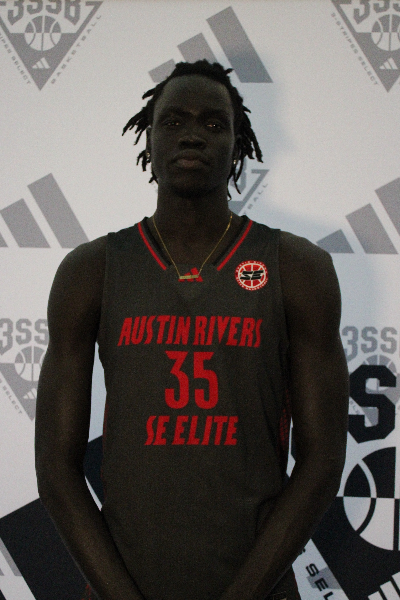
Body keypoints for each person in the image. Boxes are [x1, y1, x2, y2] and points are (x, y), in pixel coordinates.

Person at [35, 60, 349, 600]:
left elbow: (322, 461)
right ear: (149, 138)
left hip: (259, 587)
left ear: (238, 145)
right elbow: (55, 469)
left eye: (213, 123)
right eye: (174, 120)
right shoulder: (92, 270)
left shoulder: (298, 268)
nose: (192, 135)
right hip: (123, 584)